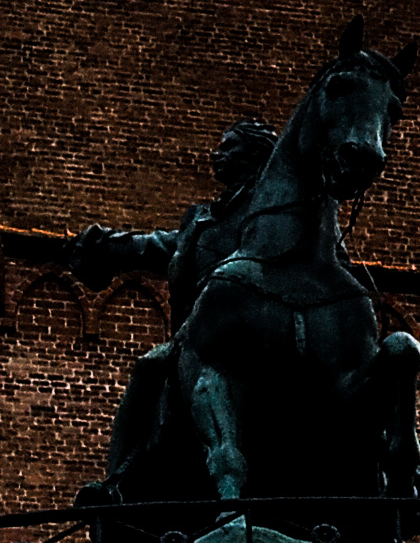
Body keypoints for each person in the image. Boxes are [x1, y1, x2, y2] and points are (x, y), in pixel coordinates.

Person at [73, 121, 278, 502]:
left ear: (255, 156)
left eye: (229, 148)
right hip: (203, 334)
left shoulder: (275, 216)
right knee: (152, 366)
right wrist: (108, 247)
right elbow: (160, 246)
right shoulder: (204, 220)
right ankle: (121, 482)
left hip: (257, 328)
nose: (217, 155)